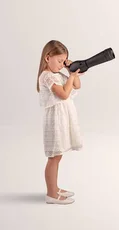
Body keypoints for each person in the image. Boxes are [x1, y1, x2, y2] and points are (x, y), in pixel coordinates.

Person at [36, 40, 83, 204]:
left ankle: (54, 188)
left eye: (64, 61)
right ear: (48, 58)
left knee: (58, 155)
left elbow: (77, 86)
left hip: (62, 118)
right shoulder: (47, 76)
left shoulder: (59, 73)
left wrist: (73, 72)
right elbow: (63, 94)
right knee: (54, 157)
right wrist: (70, 77)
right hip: (55, 120)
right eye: (60, 61)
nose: (62, 64)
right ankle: (51, 194)